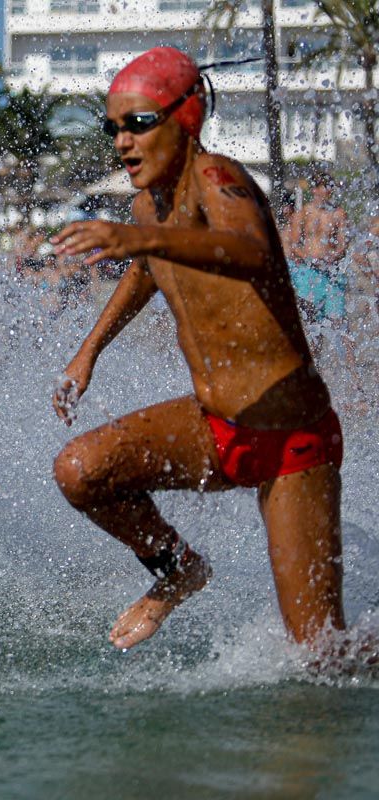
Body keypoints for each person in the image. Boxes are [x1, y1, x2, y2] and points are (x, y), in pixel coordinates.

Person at [49, 47, 347, 656]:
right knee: (80, 470)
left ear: (186, 118)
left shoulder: (219, 176)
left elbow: (252, 249)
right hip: (213, 428)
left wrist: (139, 236)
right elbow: (145, 272)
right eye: (113, 128)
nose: (123, 143)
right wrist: (89, 352)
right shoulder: (146, 209)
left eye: (139, 123)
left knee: (322, 655)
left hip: (290, 439)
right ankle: (178, 569)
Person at [282, 168, 350, 329]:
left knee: (339, 322)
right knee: (312, 322)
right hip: (309, 271)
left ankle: (352, 355)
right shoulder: (303, 213)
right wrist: (308, 259)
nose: (327, 191)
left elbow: (342, 245)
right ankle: (315, 355)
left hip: (331, 271)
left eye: (330, 187)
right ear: (314, 190)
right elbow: (294, 244)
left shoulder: (338, 214)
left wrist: (333, 257)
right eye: (324, 187)